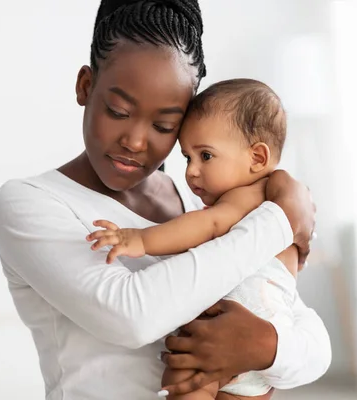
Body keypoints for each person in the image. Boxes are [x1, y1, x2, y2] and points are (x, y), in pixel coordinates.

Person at [0, 1, 332, 399]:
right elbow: (133, 316)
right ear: (86, 86)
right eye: (118, 111)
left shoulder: (202, 197)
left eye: (164, 124)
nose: (135, 141)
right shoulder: (31, 203)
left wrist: (266, 347)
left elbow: (312, 343)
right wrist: (280, 217)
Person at [87, 78, 308, 400]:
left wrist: (140, 239)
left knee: (185, 383)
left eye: (205, 156)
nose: (191, 171)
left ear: (257, 158)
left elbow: (209, 224)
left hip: (220, 333)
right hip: (266, 342)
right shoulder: (284, 201)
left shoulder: (247, 197)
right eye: (187, 157)